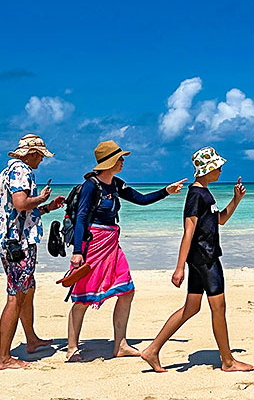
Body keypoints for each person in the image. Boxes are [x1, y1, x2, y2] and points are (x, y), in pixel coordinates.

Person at [65, 140, 187, 361]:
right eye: (120, 158)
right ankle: (72, 348)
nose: (123, 162)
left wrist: (166, 191)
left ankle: (120, 344)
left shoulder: (116, 184)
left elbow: (140, 199)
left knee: (127, 291)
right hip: (92, 245)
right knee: (83, 297)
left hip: (112, 243)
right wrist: (77, 251)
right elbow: (81, 218)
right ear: (110, 161)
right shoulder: (91, 186)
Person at [141, 146, 254, 372]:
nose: (221, 169)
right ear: (206, 169)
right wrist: (178, 268)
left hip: (201, 258)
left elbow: (220, 219)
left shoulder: (204, 194)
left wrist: (236, 199)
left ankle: (152, 350)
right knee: (218, 307)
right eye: (217, 166)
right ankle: (228, 361)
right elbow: (188, 231)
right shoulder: (196, 195)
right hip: (205, 259)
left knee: (191, 307)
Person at [0, 134, 65, 370]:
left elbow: (20, 212)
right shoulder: (22, 171)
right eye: (41, 156)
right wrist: (41, 197)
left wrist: (46, 207)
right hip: (18, 244)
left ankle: (31, 339)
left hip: (10, 240)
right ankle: (4, 358)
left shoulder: (8, 171)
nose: (42, 161)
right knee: (16, 295)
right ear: (32, 154)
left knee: (27, 289)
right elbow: (22, 203)